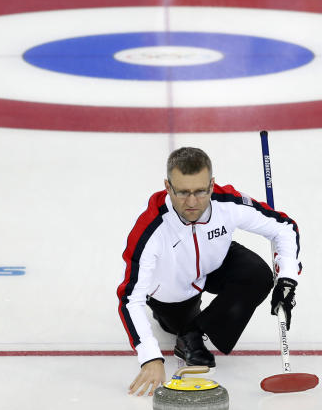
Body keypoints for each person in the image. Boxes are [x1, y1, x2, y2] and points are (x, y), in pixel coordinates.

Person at [118, 146, 301, 396]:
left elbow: (284, 228)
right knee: (175, 326)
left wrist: (287, 279)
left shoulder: (227, 203)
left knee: (257, 275)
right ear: (167, 186)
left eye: (200, 192)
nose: (192, 202)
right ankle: (181, 328)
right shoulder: (151, 230)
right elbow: (130, 298)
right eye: (182, 192)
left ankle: (194, 334)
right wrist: (150, 357)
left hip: (214, 263)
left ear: (212, 185)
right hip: (174, 290)